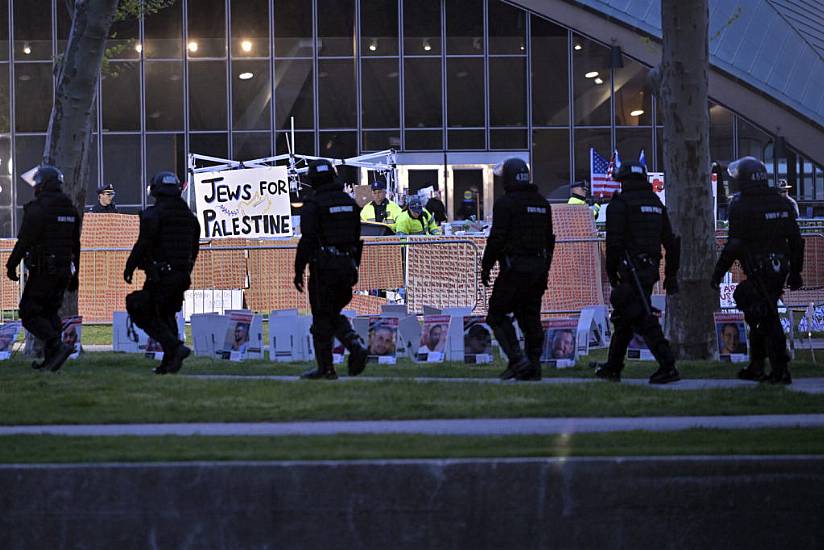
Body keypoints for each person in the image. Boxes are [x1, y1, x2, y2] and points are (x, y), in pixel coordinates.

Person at [711, 157, 804, 384]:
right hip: (779, 269)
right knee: (762, 313)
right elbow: (796, 241)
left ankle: (779, 368)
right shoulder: (782, 203)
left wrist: (718, 273)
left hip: (759, 269)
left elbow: (734, 245)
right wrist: (795, 272)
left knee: (761, 312)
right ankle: (757, 365)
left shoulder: (741, 205)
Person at [594, 160, 681, 384]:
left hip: (630, 269)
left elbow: (614, 245)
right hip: (649, 269)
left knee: (642, 317)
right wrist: (670, 276)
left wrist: (611, 273)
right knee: (624, 318)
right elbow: (671, 244)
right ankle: (613, 366)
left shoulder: (620, 204)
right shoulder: (656, 205)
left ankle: (668, 364)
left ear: (622, 181)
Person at [294, 159, 369, 380]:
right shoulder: (349, 203)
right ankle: (353, 345)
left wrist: (298, 270)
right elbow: (356, 239)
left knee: (321, 318)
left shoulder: (314, 205)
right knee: (331, 314)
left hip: (324, 268)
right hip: (347, 268)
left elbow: (307, 240)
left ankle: (327, 367)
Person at [481, 157, 555, 381]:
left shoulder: (507, 203)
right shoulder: (542, 203)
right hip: (538, 270)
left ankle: (517, 360)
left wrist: (486, 266)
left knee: (496, 315)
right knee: (530, 317)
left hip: (514, 270)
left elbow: (497, 238)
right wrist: (545, 270)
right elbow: (549, 241)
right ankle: (533, 367)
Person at [124, 171, 200, 375]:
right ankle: (170, 362)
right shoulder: (190, 218)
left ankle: (174, 347)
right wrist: (185, 271)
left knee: (139, 307)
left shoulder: (153, 214)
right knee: (166, 315)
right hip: (181, 275)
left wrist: (129, 266)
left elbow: (143, 243)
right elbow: (194, 249)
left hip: (161, 274)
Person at [6, 165, 80, 372]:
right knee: (48, 313)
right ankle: (51, 361)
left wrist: (11, 265)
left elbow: (24, 241)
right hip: (64, 271)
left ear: (43, 184)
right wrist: (77, 276)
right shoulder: (70, 209)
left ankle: (56, 346)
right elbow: (76, 244)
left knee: (29, 313)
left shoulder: (37, 209)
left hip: (44, 271)